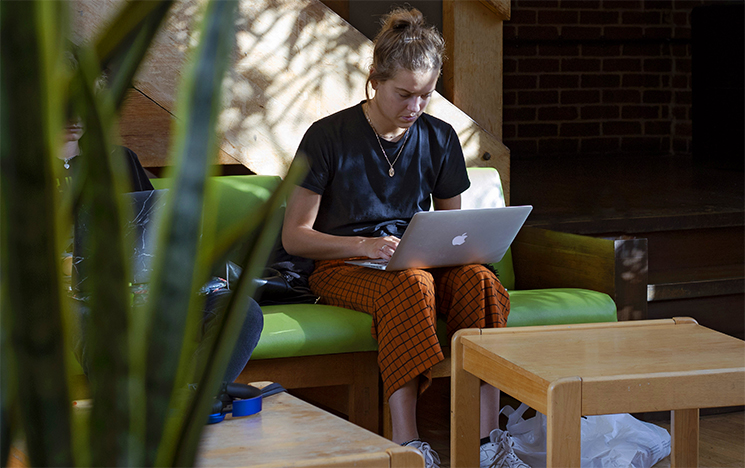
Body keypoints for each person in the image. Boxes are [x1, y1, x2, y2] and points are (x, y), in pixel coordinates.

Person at [282, 8, 528, 468]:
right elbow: (295, 238)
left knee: (478, 280)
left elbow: (454, 234)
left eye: (426, 96)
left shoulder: (439, 137)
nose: (414, 107)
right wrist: (363, 246)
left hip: (416, 263)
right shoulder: (327, 136)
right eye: (404, 94)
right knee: (411, 286)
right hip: (342, 267)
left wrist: (453, 252)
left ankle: (489, 443)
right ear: (374, 79)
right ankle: (410, 444)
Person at [59, 116, 263, 385]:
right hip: (69, 296)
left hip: (141, 287)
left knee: (242, 311)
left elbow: (151, 227)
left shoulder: (118, 160)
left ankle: (192, 398)